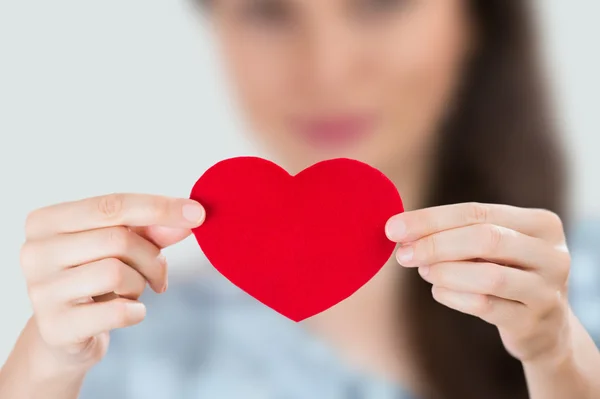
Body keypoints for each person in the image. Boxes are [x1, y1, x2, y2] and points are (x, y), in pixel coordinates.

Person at [1, 0, 599, 398]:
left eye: (378, 4)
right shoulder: (130, 345)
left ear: (475, 20)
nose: (328, 70)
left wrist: (558, 361)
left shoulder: (584, 295)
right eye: (268, 12)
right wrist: (40, 371)